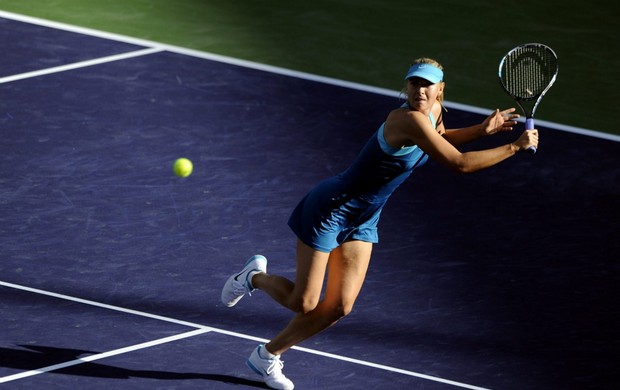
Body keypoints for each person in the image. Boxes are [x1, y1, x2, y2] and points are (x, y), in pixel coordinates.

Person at [221, 57, 538, 390]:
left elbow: (440, 137)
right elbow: (458, 164)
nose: (420, 89)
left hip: (365, 217)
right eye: (414, 83)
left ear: (440, 90)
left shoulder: (433, 115)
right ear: (407, 86)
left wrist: (481, 130)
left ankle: (267, 355)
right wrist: (514, 147)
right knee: (305, 302)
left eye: (427, 84)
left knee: (339, 307)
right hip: (330, 209)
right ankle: (254, 277)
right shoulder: (407, 119)